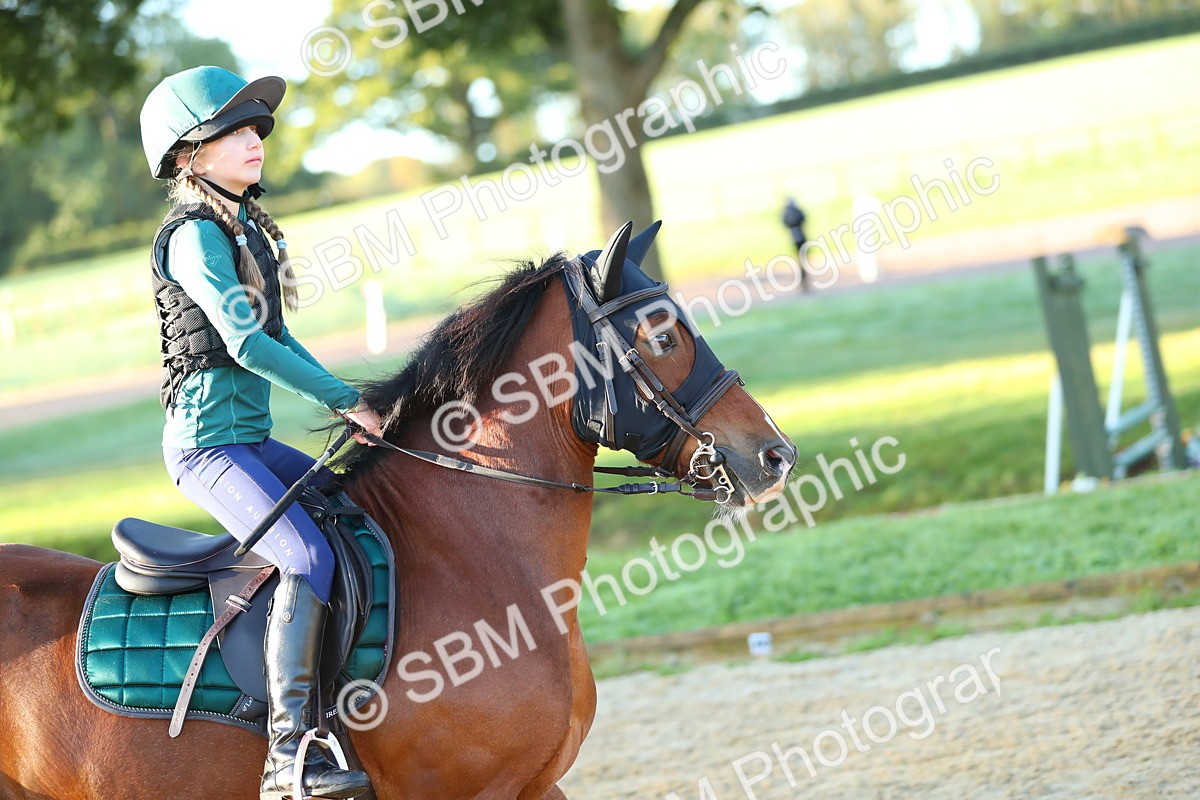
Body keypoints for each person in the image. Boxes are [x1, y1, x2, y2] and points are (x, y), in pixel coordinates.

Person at [139, 65, 382, 800]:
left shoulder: (240, 226)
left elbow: (279, 334)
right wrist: (343, 399)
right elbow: (247, 345)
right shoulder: (191, 239)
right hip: (208, 451)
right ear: (190, 155)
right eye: (234, 131)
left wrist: (355, 400)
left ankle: (346, 706)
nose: (254, 141)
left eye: (255, 129)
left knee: (351, 513)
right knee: (304, 555)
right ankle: (288, 757)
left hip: (249, 441)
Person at [781, 196, 810, 292]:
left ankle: (804, 279)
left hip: (796, 239)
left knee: (802, 259)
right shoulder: (795, 211)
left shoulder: (787, 213)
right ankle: (803, 279)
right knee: (802, 259)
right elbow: (803, 218)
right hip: (799, 238)